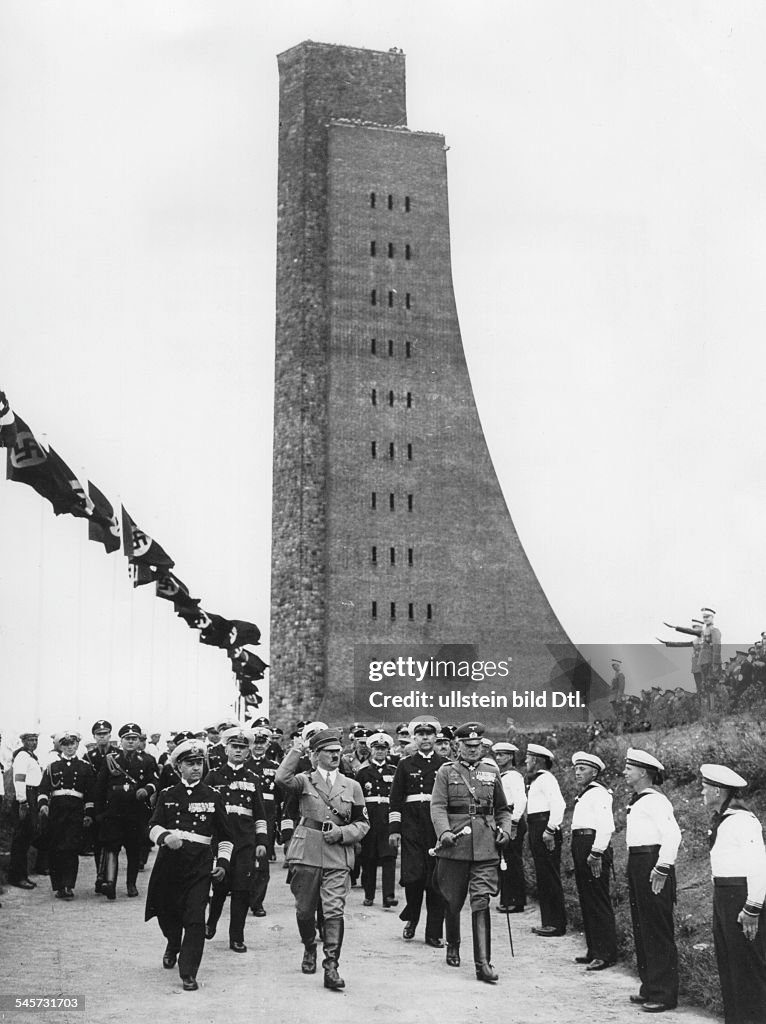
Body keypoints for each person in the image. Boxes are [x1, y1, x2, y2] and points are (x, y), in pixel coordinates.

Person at [276, 727, 369, 991]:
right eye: (329, 752)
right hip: (306, 852)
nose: (335, 756)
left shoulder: (352, 785)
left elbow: (363, 823)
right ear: (316, 755)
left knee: (334, 910)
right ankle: (309, 947)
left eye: (338, 751)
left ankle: (331, 966)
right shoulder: (304, 781)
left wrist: (342, 833)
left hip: (338, 854)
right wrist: (297, 750)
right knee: (305, 910)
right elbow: (281, 778)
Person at [145, 739, 234, 991]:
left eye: (199, 763)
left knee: (195, 918)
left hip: (199, 865)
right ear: (178, 767)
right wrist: (165, 836)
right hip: (170, 865)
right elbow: (151, 826)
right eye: (190, 764)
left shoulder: (213, 796)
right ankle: (173, 943)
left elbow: (226, 836)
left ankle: (188, 972)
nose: (196, 768)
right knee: (167, 914)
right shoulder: (167, 795)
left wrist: (224, 863)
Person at [431, 722, 511, 982]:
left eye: (478, 746)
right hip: (455, 845)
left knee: (481, 900)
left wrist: (506, 831)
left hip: (486, 848)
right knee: (452, 899)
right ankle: (453, 942)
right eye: (468, 746)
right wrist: (443, 833)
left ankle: (483, 964)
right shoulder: (446, 772)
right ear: (458, 746)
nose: (474, 750)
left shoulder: (491, 771)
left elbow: (503, 809)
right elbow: (438, 806)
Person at [701, 763, 766, 1024]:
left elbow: (759, 865)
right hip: (724, 896)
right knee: (729, 964)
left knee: (747, 967)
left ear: (718, 791)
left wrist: (752, 908)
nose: (702, 793)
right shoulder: (723, 820)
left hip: (741, 898)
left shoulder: (743, 821)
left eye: (705, 788)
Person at [623, 748, 681, 1013]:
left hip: (653, 864)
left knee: (656, 928)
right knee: (642, 926)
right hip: (638, 863)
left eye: (629, 768)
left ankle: (664, 993)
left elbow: (673, 836)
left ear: (643, 772)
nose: (625, 771)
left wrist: (662, 867)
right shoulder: (640, 800)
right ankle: (650, 985)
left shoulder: (656, 800)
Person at [204, 726, 268, 952]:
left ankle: (236, 937)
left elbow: (260, 813)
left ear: (248, 751)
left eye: (243, 747)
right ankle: (211, 923)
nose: (239, 751)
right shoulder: (213, 776)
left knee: (242, 890)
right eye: (234, 747)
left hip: (245, 843)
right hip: (220, 842)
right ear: (226, 748)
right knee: (219, 887)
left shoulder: (253, 778)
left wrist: (261, 842)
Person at [388, 715, 447, 947]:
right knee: (413, 878)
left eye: (429, 734)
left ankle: (433, 933)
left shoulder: (445, 765)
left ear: (435, 737)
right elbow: (395, 800)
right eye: (421, 734)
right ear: (415, 737)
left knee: (436, 881)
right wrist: (394, 829)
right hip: (411, 826)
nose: (425, 738)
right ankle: (412, 916)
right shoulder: (405, 764)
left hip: (436, 827)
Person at [94, 722, 159, 900]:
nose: (130, 742)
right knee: (112, 848)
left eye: (134, 739)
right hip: (113, 814)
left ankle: (131, 884)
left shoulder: (147, 760)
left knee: (134, 850)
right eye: (127, 739)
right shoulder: (110, 760)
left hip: (136, 814)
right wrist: (99, 813)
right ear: (121, 740)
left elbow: (155, 781)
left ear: (139, 741)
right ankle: (111, 883)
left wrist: (147, 790)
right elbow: (99, 788)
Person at [569, 751, 617, 970]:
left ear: (595, 772)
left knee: (597, 899)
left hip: (593, 846)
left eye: (583, 769)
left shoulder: (599, 794)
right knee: (587, 898)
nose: (577, 773)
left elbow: (606, 826)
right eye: (576, 769)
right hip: (581, 844)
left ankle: (605, 953)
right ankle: (593, 949)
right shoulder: (586, 794)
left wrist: (596, 852)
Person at [37, 731, 95, 899]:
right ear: (60, 746)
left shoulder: (85, 767)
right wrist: (43, 806)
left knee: (71, 849)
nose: (70, 747)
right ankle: (58, 886)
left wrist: (88, 813)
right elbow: (43, 790)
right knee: (55, 849)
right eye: (65, 745)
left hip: (75, 812)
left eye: (72, 744)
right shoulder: (52, 767)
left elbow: (90, 794)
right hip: (56, 812)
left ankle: (69, 885)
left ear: (77, 745)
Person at [525, 741, 566, 937]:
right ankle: (548, 921)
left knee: (549, 875)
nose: (526, 761)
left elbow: (559, 805)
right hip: (536, 826)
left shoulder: (547, 779)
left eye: (528, 758)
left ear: (536, 760)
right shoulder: (537, 780)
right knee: (543, 875)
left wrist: (550, 830)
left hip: (544, 827)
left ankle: (556, 924)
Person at [355, 731, 398, 908]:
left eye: (383, 748)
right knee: (369, 858)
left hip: (387, 820)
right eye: (377, 748)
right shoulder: (363, 772)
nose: (380, 752)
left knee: (389, 858)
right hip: (370, 820)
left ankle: (388, 896)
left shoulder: (394, 771)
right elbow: (357, 799)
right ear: (371, 750)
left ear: (388, 750)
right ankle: (369, 894)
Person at [248, 725, 281, 913]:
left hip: (267, 819)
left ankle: (257, 901)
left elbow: (281, 797)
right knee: (244, 860)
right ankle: (244, 896)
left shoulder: (275, 768)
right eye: (256, 743)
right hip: (246, 820)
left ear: (268, 744)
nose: (259, 746)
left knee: (262, 861)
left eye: (262, 743)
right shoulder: (243, 767)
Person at [491, 741, 527, 914]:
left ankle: (516, 900)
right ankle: (507, 898)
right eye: (497, 755)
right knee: (504, 859)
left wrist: (514, 822)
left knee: (512, 860)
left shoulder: (513, 776)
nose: (499, 758)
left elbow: (521, 801)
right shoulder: (502, 775)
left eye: (502, 755)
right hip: (503, 818)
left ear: (511, 756)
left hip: (512, 819)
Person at [8, 731, 43, 889]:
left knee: (27, 837)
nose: (34, 743)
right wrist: (22, 801)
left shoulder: (31, 756)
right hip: (25, 795)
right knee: (20, 839)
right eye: (30, 740)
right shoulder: (22, 756)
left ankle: (22, 875)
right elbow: (19, 779)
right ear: (23, 741)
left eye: (36, 740)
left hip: (33, 794)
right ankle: (16, 877)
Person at [83, 720, 113, 892]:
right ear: (94, 737)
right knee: (97, 842)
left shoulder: (117, 754)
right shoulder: (88, 758)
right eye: (99, 734)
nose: (102, 737)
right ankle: (99, 875)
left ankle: (109, 877)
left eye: (105, 734)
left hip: (113, 805)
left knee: (113, 842)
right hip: (96, 805)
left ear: (110, 735)